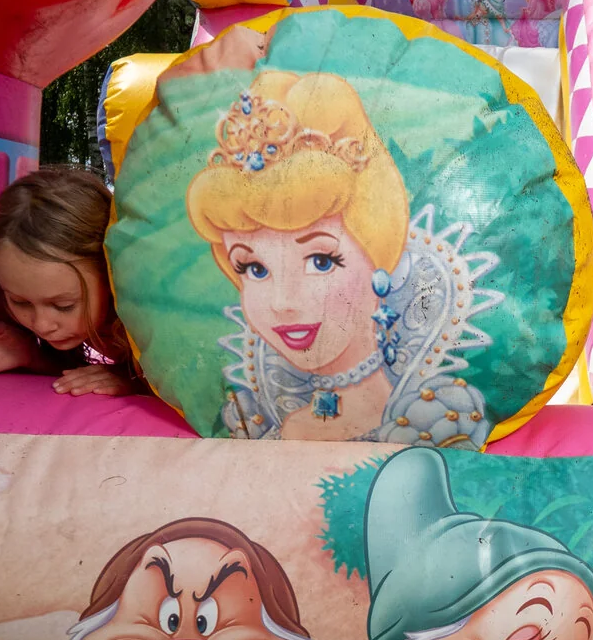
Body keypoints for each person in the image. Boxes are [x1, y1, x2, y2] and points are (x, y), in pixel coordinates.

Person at [185, 69, 495, 447]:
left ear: (378, 255)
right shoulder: (256, 419)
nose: (282, 302)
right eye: (254, 268)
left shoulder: (437, 418)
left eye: (321, 261)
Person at [0, 167, 140, 396]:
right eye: (20, 302)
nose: (42, 325)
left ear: (111, 276)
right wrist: (29, 354)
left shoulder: (145, 317)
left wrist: (134, 382)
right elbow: (77, 376)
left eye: (63, 306)